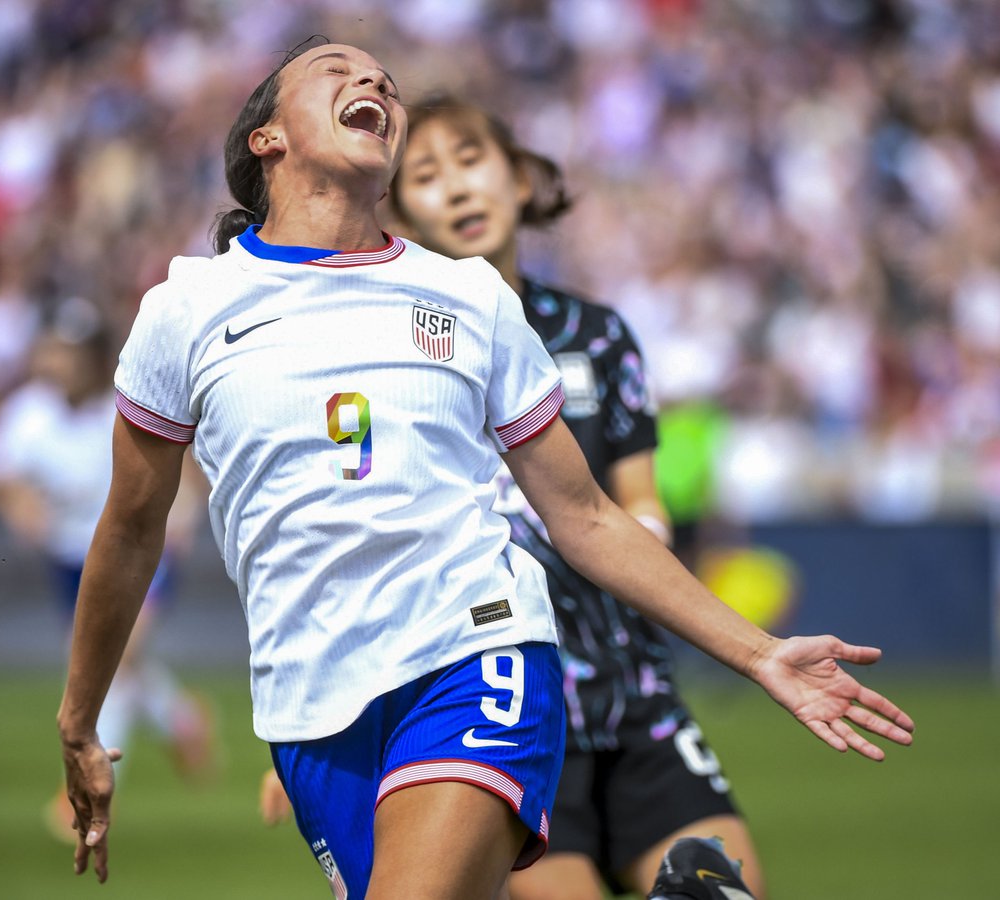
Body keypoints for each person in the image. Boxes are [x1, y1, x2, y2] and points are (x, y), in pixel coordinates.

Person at [57, 40, 914, 899]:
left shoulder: (470, 298)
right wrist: (79, 720)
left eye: (384, 80)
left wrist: (759, 653)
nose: (373, 80)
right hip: (308, 708)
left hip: (476, 650)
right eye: (336, 71)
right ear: (267, 139)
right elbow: (130, 531)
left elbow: (588, 517)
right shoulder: (186, 312)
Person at [381, 94, 764, 899]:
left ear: (521, 180)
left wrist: (636, 534)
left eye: (472, 159)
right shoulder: (399, 355)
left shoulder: (599, 334)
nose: (458, 186)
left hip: (637, 699)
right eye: (426, 174)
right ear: (401, 214)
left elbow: (640, 501)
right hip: (503, 711)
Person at [0, 301, 217, 839]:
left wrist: (182, 516)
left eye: (70, 352)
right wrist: (20, 506)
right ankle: (182, 718)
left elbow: (182, 462)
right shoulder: (30, 413)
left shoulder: (125, 402)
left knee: (117, 662)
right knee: (114, 662)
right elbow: (0, 475)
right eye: (54, 350)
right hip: (71, 560)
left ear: (93, 357)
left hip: (138, 551)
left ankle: (90, 785)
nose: (58, 362)